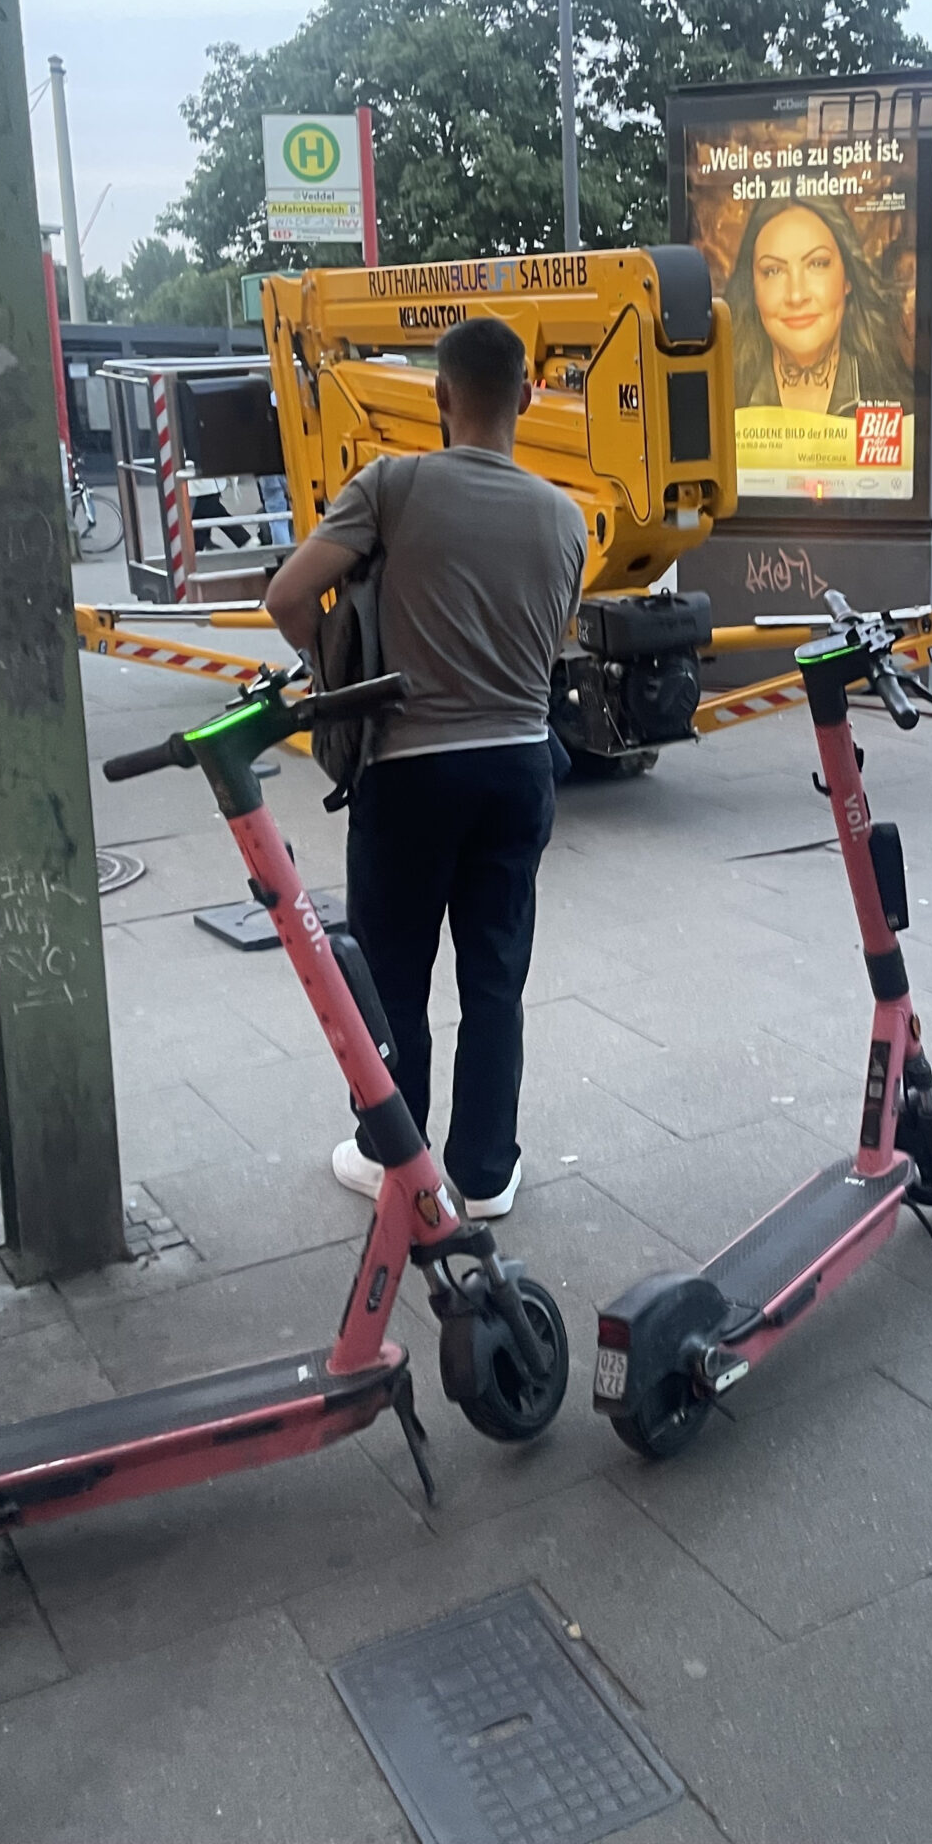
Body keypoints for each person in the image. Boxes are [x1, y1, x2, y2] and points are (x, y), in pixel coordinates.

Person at [265, 317, 584, 1222]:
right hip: (521, 767)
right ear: (527, 397)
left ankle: (391, 1160)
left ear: (439, 396)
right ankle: (485, 1176)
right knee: (494, 978)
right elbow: (547, 651)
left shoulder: (392, 486)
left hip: (410, 771)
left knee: (393, 975)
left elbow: (288, 595)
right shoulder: (566, 518)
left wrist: (331, 663)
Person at [723, 195, 911, 416]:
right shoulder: (721, 397)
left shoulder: (898, 396)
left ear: (847, 278)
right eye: (773, 271)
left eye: (817, 264)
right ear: (752, 287)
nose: (796, 295)